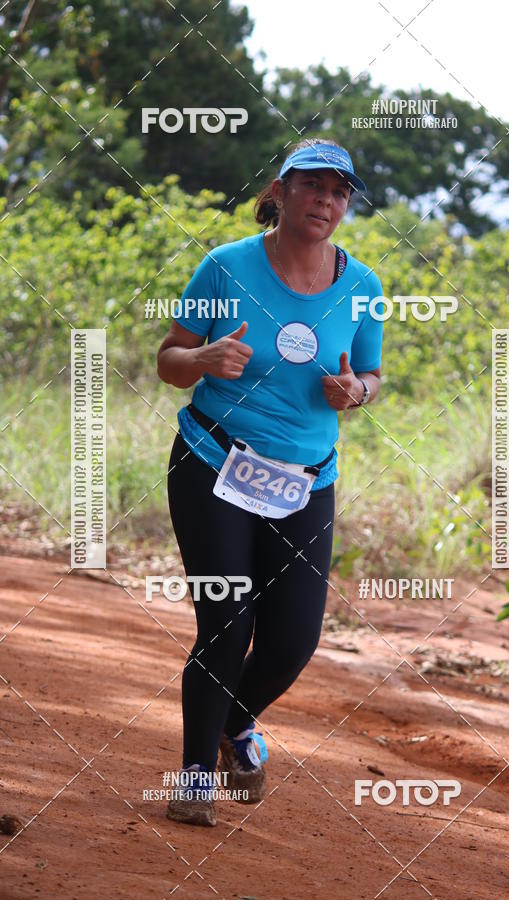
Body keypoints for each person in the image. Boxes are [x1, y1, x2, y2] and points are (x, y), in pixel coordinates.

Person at [157, 138, 384, 826]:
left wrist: (357, 391)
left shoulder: (364, 287)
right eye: (313, 186)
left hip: (306, 479)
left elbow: (372, 373)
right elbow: (168, 359)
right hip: (214, 461)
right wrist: (202, 357)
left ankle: (234, 725)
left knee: (293, 640)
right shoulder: (225, 268)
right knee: (227, 621)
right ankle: (195, 777)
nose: (326, 201)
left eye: (339, 192)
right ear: (281, 190)